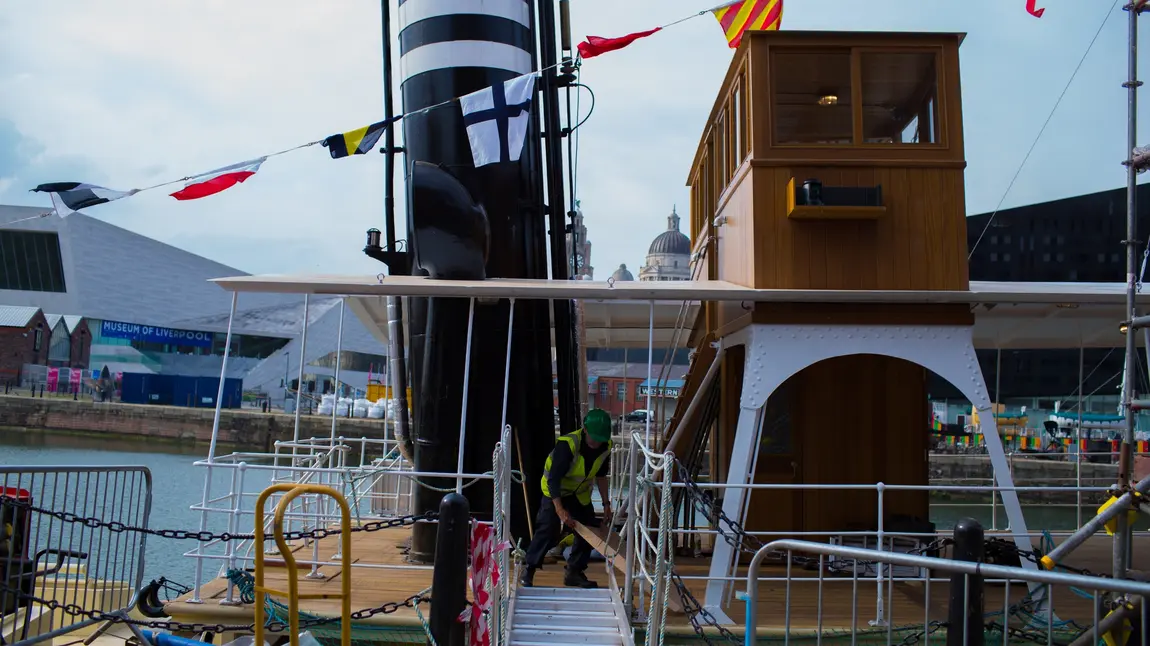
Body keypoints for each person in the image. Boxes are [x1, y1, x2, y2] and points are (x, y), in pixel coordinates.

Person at [520, 408, 613, 588]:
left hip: (578, 493)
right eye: (594, 437)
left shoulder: (605, 447)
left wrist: (606, 503)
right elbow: (553, 479)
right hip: (554, 490)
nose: (596, 442)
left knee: (589, 529)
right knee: (548, 530)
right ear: (585, 429)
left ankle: (574, 572)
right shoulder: (568, 445)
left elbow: (601, 476)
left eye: (600, 438)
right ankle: (529, 569)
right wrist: (559, 509)